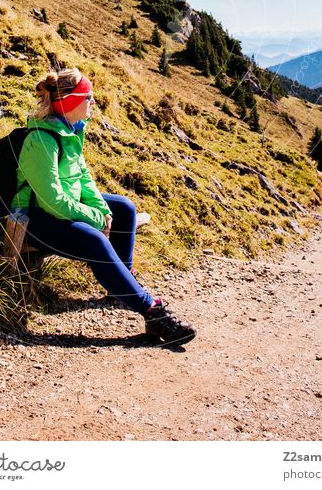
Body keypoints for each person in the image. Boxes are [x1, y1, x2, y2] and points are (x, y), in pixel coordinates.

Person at [11, 67, 196, 346]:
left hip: (62, 206)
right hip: (33, 218)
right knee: (95, 240)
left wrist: (103, 210)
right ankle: (152, 312)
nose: (93, 103)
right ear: (70, 102)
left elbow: (83, 177)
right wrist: (95, 218)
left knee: (124, 209)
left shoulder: (71, 131)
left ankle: (121, 286)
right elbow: (52, 201)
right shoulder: (41, 139)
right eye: (88, 97)